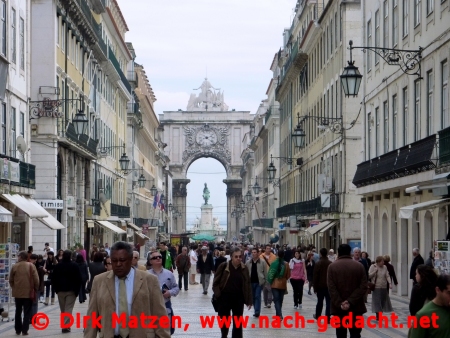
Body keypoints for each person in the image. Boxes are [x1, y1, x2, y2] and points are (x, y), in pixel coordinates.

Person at [83, 241, 170, 338]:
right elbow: (92, 318)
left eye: (122, 260)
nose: (118, 264)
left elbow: (160, 316)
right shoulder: (99, 281)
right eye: (114, 261)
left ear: (130, 259)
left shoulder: (149, 280)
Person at [328, 244, 367, 338]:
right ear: (350, 253)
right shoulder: (359, 266)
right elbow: (363, 286)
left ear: (338, 253)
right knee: (355, 333)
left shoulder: (332, 267)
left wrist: (341, 303)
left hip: (339, 308)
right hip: (356, 307)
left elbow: (331, 288)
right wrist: (350, 301)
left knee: (340, 333)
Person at [213, 248, 252, 338]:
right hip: (225, 297)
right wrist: (218, 295)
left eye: (240, 256)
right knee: (225, 321)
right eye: (236, 257)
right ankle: (224, 335)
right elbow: (215, 283)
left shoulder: (244, 268)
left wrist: (249, 300)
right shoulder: (224, 266)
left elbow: (247, 284)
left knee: (238, 322)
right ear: (231, 257)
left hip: (238, 298)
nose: (238, 258)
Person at [148, 250, 180, 335]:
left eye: (159, 257)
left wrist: (169, 292)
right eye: (155, 258)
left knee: (167, 331)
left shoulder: (169, 274)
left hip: (166, 306)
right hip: (151, 308)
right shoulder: (146, 275)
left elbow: (176, 288)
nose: (158, 258)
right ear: (150, 261)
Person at [52, 250, 82, 333]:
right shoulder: (74, 265)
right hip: (71, 290)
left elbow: (54, 278)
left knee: (63, 309)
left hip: (60, 290)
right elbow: (79, 278)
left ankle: (65, 324)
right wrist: (77, 290)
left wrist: (56, 289)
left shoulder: (58, 266)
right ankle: (66, 326)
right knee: (68, 308)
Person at [10, 251, 39, 336]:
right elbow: (36, 279)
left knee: (18, 311)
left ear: (21, 257)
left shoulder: (15, 266)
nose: (17, 257)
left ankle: (18, 329)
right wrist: (35, 289)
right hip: (28, 292)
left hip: (17, 293)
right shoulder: (31, 266)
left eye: (18, 256)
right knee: (27, 312)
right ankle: (25, 330)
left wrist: (14, 287)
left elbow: (11, 279)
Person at [267, 249, 290, 319]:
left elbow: (271, 274)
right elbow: (288, 275)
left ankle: (279, 315)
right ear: (284, 255)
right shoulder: (286, 264)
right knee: (280, 300)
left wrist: (270, 282)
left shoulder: (274, 263)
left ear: (277, 255)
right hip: (282, 284)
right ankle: (278, 314)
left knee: (276, 300)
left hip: (275, 284)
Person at [368, 256, 393, 321]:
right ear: (378, 262)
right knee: (377, 302)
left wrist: (390, 283)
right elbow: (369, 276)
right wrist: (375, 272)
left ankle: (380, 313)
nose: (383, 263)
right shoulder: (373, 266)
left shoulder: (385, 267)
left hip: (383, 286)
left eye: (383, 261)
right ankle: (378, 315)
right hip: (376, 287)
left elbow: (387, 275)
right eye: (382, 261)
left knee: (382, 301)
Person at [245, 247, 267, 318]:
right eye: (252, 252)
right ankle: (255, 310)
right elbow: (246, 273)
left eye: (255, 252)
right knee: (253, 297)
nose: (253, 254)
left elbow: (265, 272)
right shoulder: (248, 262)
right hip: (251, 282)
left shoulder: (262, 262)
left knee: (258, 296)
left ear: (258, 253)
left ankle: (257, 311)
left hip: (259, 282)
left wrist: (265, 281)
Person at [313, 248, 332, 319]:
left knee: (319, 302)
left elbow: (315, 276)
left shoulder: (318, 263)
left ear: (320, 254)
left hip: (320, 286)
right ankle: (328, 316)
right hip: (328, 286)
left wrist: (315, 287)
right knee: (328, 302)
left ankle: (318, 315)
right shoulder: (330, 263)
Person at [260, 244, 276, 308]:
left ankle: (269, 302)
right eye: (267, 248)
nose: (268, 250)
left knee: (269, 289)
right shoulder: (261, 256)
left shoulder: (273, 256)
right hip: (263, 274)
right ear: (265, 249)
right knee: (264, 289)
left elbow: (275, 265)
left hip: (271, 274)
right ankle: (266, 302)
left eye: (269, 248)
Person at [29, 254, 41, 324]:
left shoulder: (35, 266)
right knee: (34, 303)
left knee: (32, 303)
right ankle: (33, 318)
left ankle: (32, 318)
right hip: (34, 287)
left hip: (32, 287)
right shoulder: (37, 266)